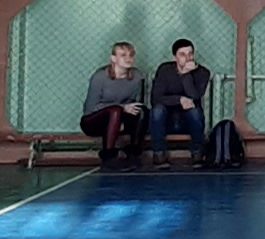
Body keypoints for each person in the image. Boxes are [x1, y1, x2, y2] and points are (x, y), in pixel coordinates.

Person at [149, 37, 215, 167]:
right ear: (175, 57)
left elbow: (195, 96)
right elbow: (155, 98)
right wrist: (179, 99)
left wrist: (185, 74)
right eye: (182, 54)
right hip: (167, 117)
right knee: (157, 111)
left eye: (190, 54)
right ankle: (159, 154)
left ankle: (197, 153)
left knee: (194, 111)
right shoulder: (165, 70)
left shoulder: (202, 72)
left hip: (189, 119)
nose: (188, 58)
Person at [81, 41, 148, 164]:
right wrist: (122, 108)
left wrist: (122, 116)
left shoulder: (137, 76)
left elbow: (136, 102)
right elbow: (91, 107)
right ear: (113, 58)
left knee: (142, 110)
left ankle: (134, 153)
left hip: (121, 119)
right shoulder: (100, 77)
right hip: (93, 121)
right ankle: (109, 156)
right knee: (115, 110)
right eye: (123, 55)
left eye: (131, 55)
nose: (128, 58)